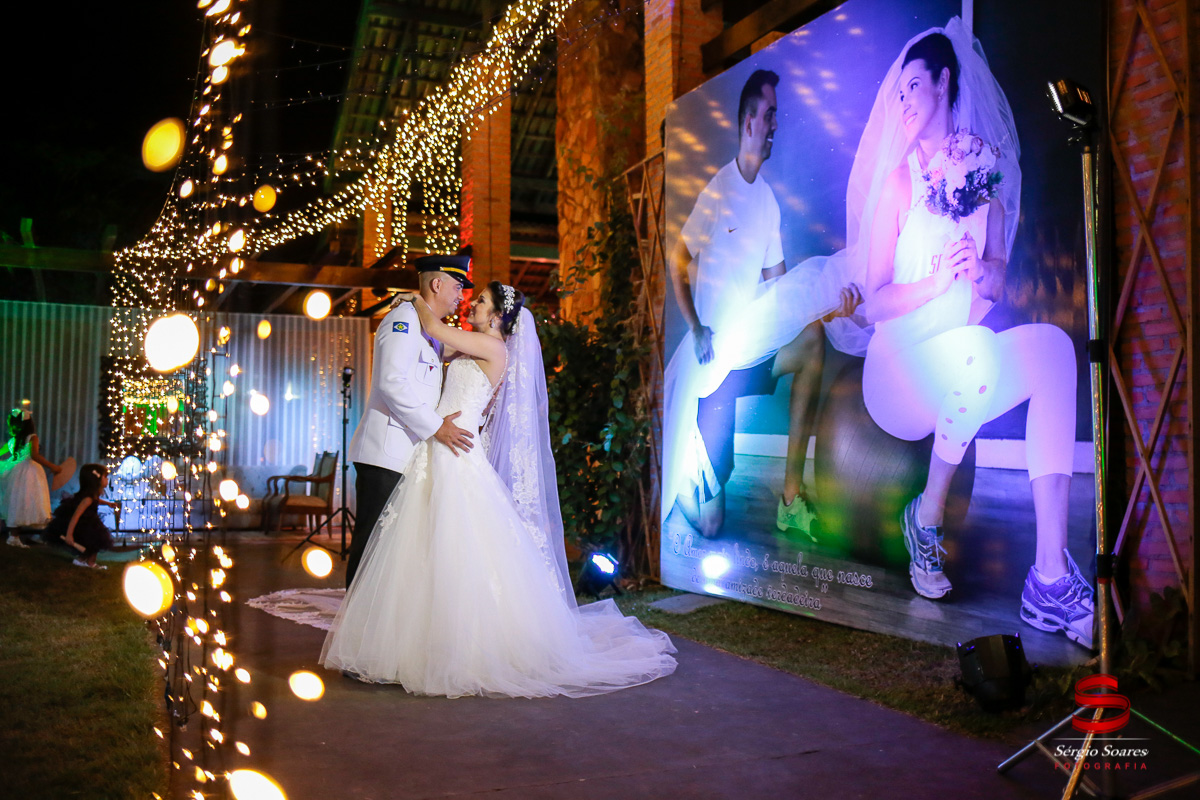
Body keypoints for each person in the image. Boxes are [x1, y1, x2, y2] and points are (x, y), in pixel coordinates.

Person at [856, 22, 1093, 648]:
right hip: (898, 373)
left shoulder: (982, 172)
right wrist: (934, 284)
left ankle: (1049, 580)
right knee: (979, 351)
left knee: (1055, 351)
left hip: (962, 358)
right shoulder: (898, 183)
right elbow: (874, 302)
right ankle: (926, 516)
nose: (904, 102)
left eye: (913, 87)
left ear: (943, 83)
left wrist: (979, 271)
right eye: (898, 93)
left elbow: (994, 285)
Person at [321, 281, 677, 698]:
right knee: (425, 549)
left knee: (454, 548)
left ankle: (460, 649)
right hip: (438, 448)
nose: (471, 303)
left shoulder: (492, 348)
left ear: (495, 316)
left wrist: (413, 299)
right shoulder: (470, 346)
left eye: (481, 301)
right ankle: (417, 642)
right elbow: (433, 348)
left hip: (455, 451)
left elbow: (433, 328)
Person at [663, 68, 859, 541]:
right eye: (769, 115)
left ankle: (790, 500)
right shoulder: (718, 190)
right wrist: (696, 327)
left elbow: (780, 291)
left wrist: (829, 309)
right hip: (711, 367)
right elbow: (677, 258)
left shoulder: (769, 202)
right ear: (748, 121)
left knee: (812, 340)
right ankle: (688, 470)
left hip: (747, 350)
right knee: (711, 525)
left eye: (776, 116)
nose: (775, 125)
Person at [343, 254, 476, 587]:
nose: (461, 296)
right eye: (457, 286)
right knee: (370, 551)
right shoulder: (402, 319)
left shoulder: (427, 326)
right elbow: (391, 382)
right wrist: (437, 427)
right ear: (437, 284)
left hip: (405, 455)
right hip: (385, 453)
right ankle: (355, 620)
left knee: (389, 556)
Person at [1, 406, 63, 545]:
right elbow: (34, 455)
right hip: (29, 472)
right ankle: (23, 536)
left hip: (15, 472)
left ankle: (14, 536)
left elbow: (1, 451)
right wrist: (52, 466)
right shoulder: (32, 437)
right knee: (28, 500)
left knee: (15, 501)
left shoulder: (13, 440)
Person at [45, 463, 114, 569]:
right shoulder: (87, 499)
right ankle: (84, 561)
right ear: (96, 480)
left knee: (95, 543)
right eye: (105, 477)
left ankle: (88, 562)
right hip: (84, 524)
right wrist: (69, 534)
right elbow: (75, 516)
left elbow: (96, 501)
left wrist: (108, 503)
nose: (107, 480)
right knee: (94, 542)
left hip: (91, 522)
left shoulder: (93, 496)